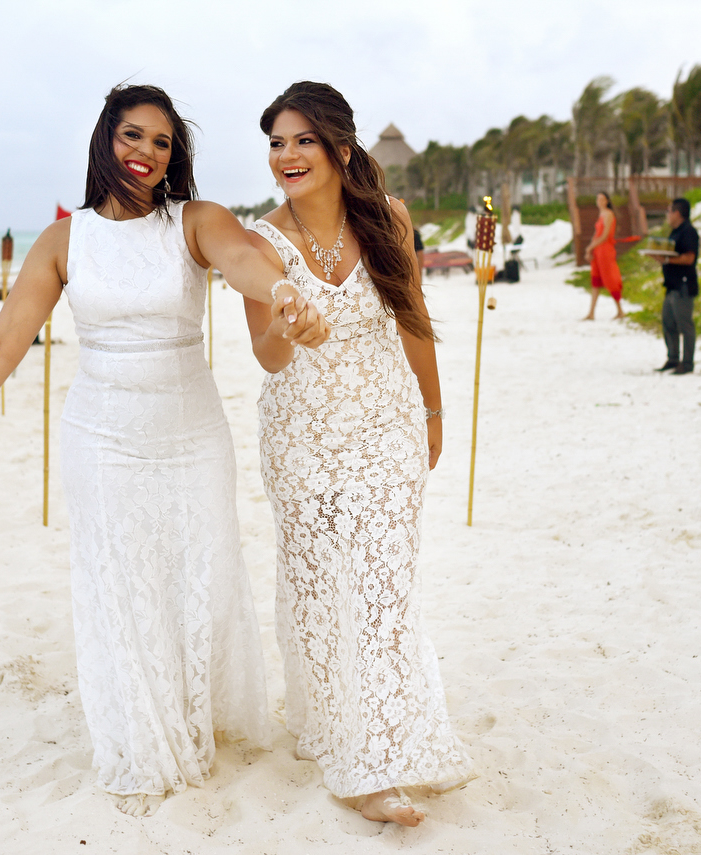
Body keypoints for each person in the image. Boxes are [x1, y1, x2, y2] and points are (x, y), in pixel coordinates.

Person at [0, 84, 331, 817]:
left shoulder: (193, 221)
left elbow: (240, 260)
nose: (145, 153)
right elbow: (6, 338)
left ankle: (198, 712)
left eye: (162, 143)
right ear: (107, 139)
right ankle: (143, 733)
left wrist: (285, 292)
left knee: (197, 573)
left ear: (175, 158)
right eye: (133, 136)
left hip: (191, 432)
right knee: (122, 584)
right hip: (102, 437)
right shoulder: (63, 241)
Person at [244, 81, 473, 828]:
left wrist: (432, 408)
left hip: (384, 429)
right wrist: (287, 317)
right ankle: (328, 721)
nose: (287, 155)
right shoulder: (261, 240)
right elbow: (267, 357)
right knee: (317, 590)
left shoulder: (389, 219)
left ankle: (376, 764)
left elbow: (413, 321)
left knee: (380, 587)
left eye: (302, 140)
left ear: (339, 147)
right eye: (277, 143)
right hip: (301, 440)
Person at [654, 197, 699, 374]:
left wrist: (666, 259)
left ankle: (687, 363)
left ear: (677, 213)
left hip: (684, 285)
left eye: (669, 211)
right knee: (668, 322)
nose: (667, 215)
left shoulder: (688, 232)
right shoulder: (675, 232)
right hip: (671, 285)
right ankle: (673, 358)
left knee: (685, 325)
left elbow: (689, 258)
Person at [582, 191, 624, 320]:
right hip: (598, 250)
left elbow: (605, 236)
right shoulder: (601, 214)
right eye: (598, 199)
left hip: (605, 251)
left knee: (610, 279)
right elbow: (596, 235)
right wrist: (590, 249)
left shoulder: (609, 214)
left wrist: (590, 247)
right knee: (595, 281)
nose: (599, 201)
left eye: (602, 199)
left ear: (607, 201)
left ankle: (620, 310)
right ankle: (591, 313)